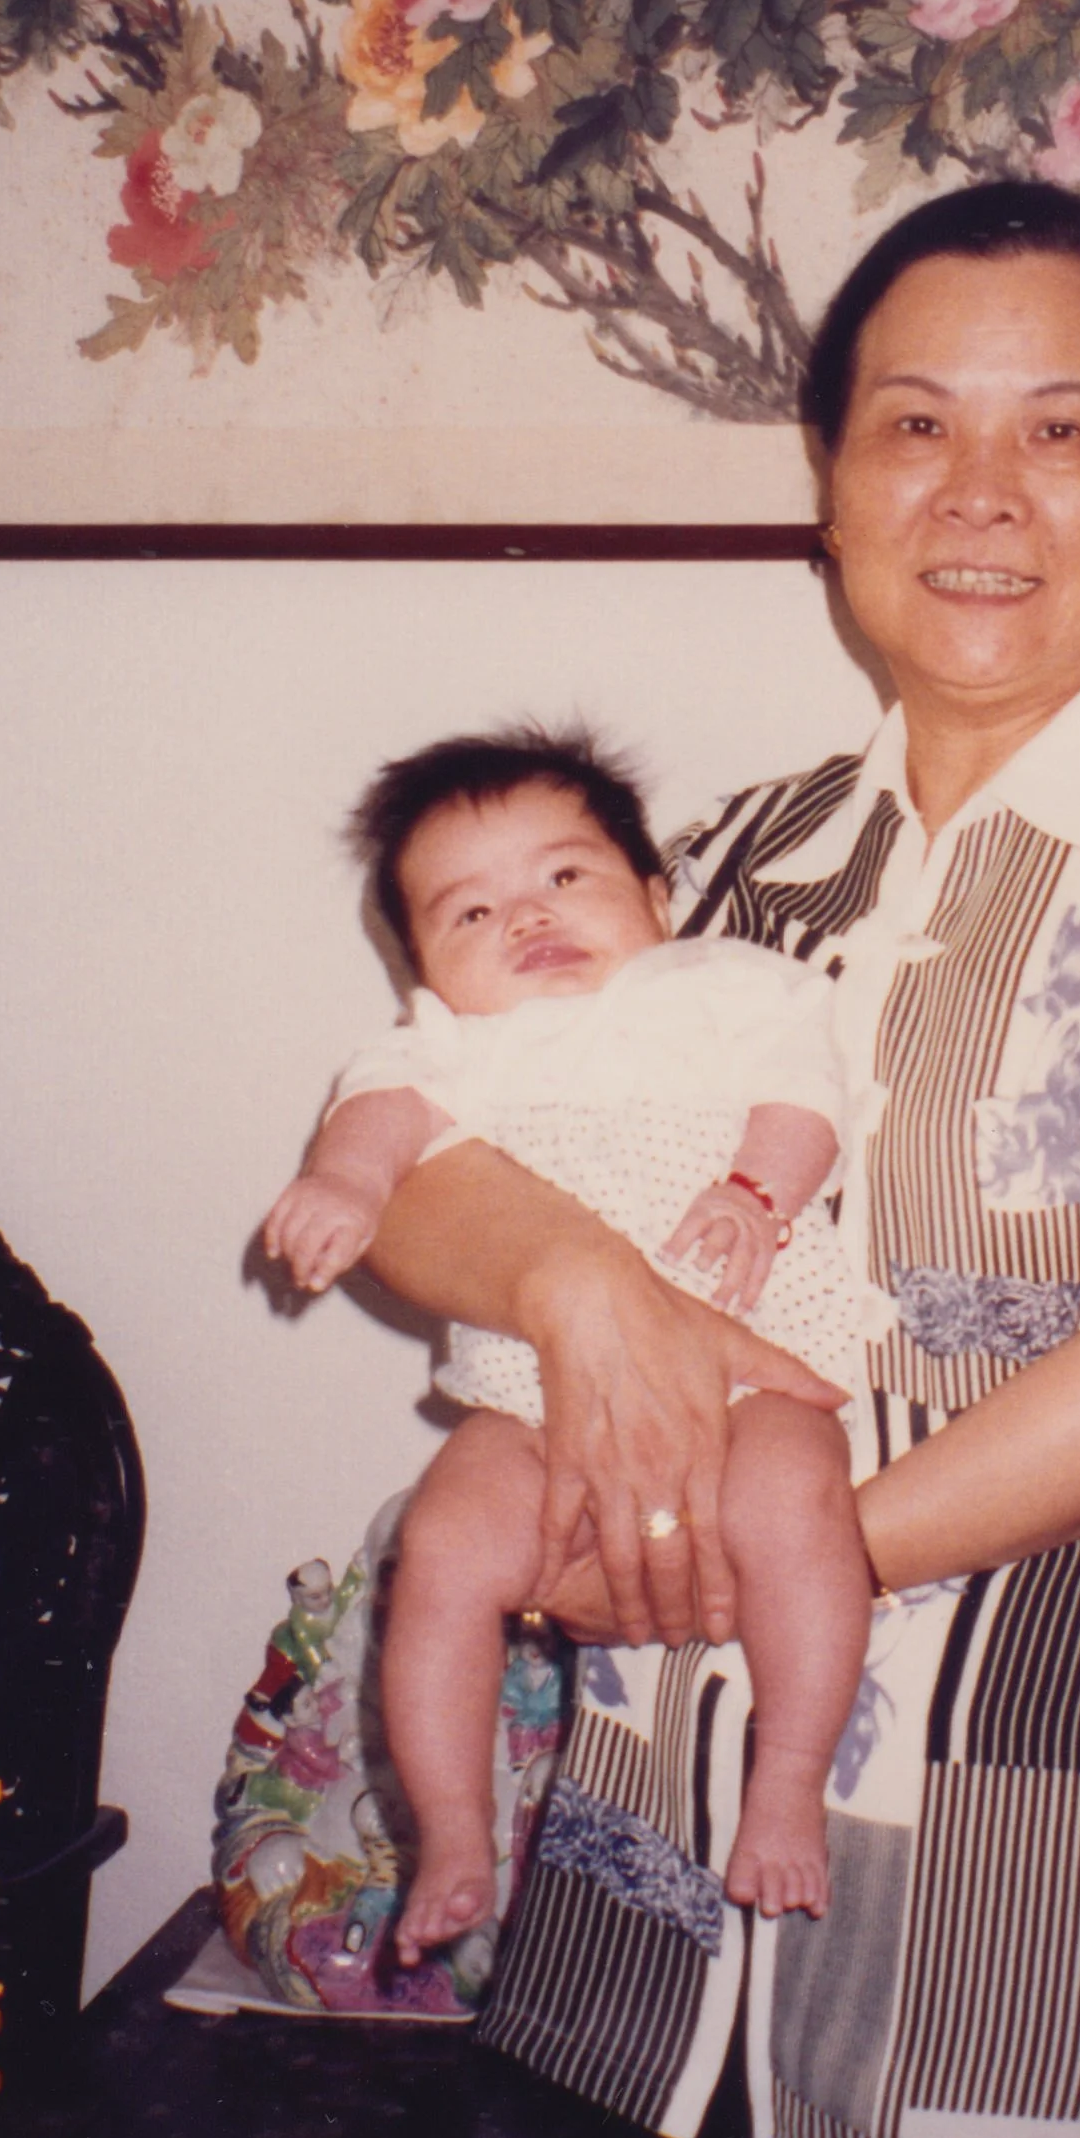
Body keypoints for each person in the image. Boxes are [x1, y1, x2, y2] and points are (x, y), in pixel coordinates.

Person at [359, 181, 1080, 2138]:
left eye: (1061, 429)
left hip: (1031, 1864)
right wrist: (580, 1288)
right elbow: (419, 1164)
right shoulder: (713, 855)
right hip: (652, 1881)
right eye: (912, 426)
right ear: (827, 488)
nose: (980, 493)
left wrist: (763, 1564)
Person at [260, 730, 870, 1951]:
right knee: (439, 1552)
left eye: (565, 877)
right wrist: (342, 1184)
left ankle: (788, 1778)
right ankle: (450, 1828)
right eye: (471, 910)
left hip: (750, 1356)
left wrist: (755, 1192)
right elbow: (378, 1124)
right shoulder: (446, 1047)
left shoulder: (726, 987)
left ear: (657, 893)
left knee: (799, 1513)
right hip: (525, 1401)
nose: (527, 918)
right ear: (424, 969)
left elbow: (805, 1099)